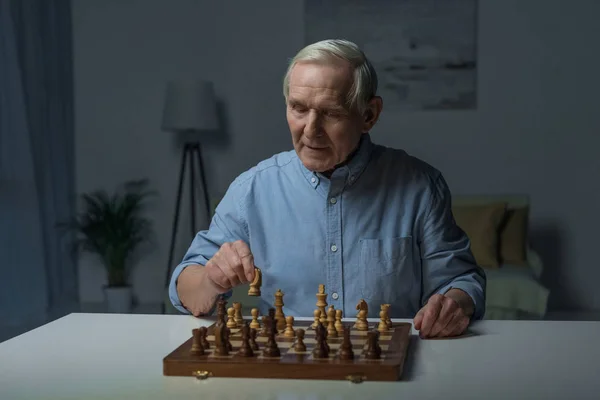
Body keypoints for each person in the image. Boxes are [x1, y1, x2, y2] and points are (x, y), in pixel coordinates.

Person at [169, 39, 486, 338]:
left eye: (331, 113)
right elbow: (185, 288)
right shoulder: (250, 190)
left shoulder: (421, 187)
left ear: (369, 115)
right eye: (298, 108)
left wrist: (456, 303)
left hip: (391, 374)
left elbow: (460, 280)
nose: (310, 130)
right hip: (285, 376)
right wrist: (210, 278)